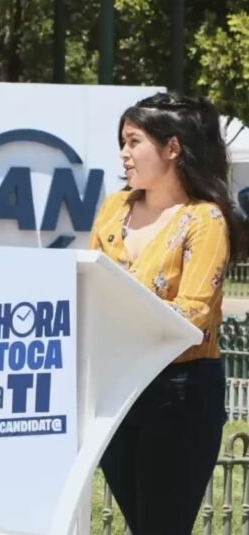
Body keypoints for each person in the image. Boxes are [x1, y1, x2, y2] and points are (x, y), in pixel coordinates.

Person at [89, 93, 247, 534]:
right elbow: (90, 284)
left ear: (172, 148)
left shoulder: (205, 219)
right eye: (122, 141)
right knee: (143, 523)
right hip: (114, 386)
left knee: (162, 527)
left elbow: (192, 314)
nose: (123, 153)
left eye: (134, 141)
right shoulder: (113, 208)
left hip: (180, 392)